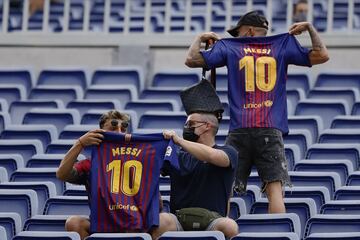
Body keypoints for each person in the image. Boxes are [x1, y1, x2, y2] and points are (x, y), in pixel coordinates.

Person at [184, 10, 329, 214]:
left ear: (250, 30)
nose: (237, 36)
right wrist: (310, 28)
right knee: (275, 192)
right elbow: (322, 55)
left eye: (239, 31)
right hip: (270, 128)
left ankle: (223, 232)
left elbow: (191, 60)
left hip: (239, 129)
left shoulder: (229, 47)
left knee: (224, 189)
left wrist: (200, 38)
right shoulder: (282, 45)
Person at [151, 112, 239, 239]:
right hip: (179, 219)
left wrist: (179, 141)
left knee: (230, 226)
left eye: (191, 124)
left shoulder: (229, 152)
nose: (186, 127)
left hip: (214, 220)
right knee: (160, 221)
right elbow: (149, 169)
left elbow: (212, 156)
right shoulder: (177, 155)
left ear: (207, 126)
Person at [56, 110, 130, 239]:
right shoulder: (90, 164)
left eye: (123, 129)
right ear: (99, 134)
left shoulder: (140, 163)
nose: (119, 133)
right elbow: (62, 174)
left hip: (133, 226)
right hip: (101, 227)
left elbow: (158, 204)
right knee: (74, 223)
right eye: (113, 128)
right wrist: (80, 143)